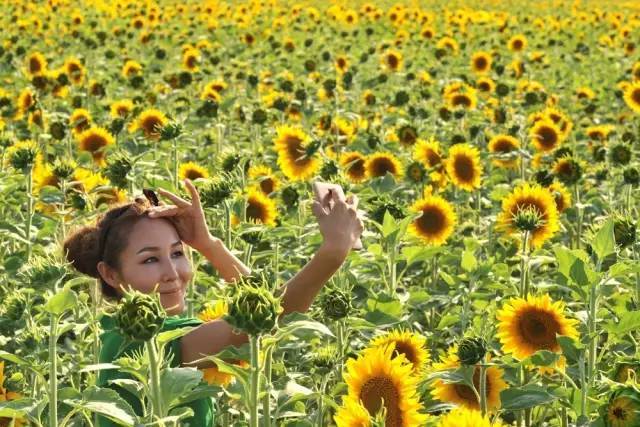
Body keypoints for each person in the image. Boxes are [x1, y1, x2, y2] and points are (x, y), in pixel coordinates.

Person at [63, 179, 364, 426]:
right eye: (151, 259)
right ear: (111, 275)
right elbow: (264, 319)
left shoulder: (124, 333)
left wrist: (207, 243)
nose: (173, 274)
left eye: (178, 253)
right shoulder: (145, 343)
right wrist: (333, 252)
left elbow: (258, 304)